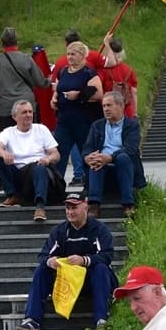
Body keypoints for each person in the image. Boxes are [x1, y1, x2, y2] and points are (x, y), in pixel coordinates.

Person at [17, 190, 117, 330]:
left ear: (85, 207)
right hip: (68, 283)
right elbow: (42, 256)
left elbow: (107, 255)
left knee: (101, 268)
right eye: (68, 208)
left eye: (74, 207)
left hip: (92, 282)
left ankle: (101, 319)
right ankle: (32, 319)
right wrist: (50, 261)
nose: (70, 212)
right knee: (42, 269)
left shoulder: (99, 229)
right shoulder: (59, 231)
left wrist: (83, 260)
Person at [0, 99, 59, 221]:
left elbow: (56, 154)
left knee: (38, 168)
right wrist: (4, 153)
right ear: (14, 117)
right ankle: (12, 196)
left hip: (39, 170)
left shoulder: (41, 129)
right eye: (24, 112)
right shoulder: (8, 132)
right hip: (19, 175)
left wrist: (48, 159)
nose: (28, 115)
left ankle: (40, 207)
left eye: (30, 112)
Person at [84, 91, 146, 217]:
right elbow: (87, 148)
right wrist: (87, 157)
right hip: (103, 169)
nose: (106, 109)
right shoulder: (97, 125)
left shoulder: (132, 125)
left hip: (124, 168)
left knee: (123, 157)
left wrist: (110, 157)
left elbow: (130, 149)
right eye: (104, 106)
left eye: (109, 105)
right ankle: (94, 205)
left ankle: (128, 204)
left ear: (121, 106)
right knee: (96, 160)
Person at [51, 41, 103, 186]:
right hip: (63, 120)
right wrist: (54, 98)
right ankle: (56, 186)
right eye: (68, 54)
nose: (70, 57)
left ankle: (91, 185)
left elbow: (99, 94)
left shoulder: (89, 73)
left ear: (82, 55)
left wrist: (79, 95)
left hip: (83, 120)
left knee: (85, 152)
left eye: (73, 54)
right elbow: (58, 89)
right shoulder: (63, 71)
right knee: (59, 153)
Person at [0, 27, 50, 132]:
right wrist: (49, 80)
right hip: (27, 105)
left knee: (8, 142)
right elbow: (41, 82)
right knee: (30, 139)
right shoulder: (26, 58)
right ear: (17, 42)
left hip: (7, 108)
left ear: (2, 43)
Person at [97, 37, 138, 119]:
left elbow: (98, 90)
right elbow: (134, 92)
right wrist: (135, 112)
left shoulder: (102, 70)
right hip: (127, 111)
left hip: (108, 112)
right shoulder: (129, 70)